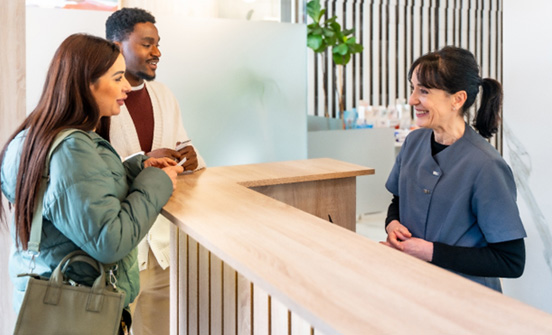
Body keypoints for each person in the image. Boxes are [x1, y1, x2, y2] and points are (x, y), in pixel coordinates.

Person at [0, 33, 183, 331]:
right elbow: (108, 240)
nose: (126, 87)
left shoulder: (32, 139)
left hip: (46, 299)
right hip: (83, 308)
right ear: (87, 83)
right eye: (118, 78)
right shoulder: (72, 149)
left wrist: (138, 167)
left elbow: (77, 197)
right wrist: (155, 181)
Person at [382, 46, 526, 292]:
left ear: (457, 99)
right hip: (413, 285)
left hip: (466, 300)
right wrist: (392, 223)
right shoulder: (413, 143)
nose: (412, 99)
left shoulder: (486, 165)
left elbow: (511, 261)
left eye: (424, 91)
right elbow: (398, 200)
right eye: (413, 88)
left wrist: (430, 251)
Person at [105, 8, 205, 335]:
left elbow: (183, 150)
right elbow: (94, 172)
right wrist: (145, 160)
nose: (157, 53)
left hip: (162, 247)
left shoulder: (163, 95)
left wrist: (191, 158)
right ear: (118, 45)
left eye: (158, 44)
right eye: (147, 44)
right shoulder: (99, 100)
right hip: (119, 252)